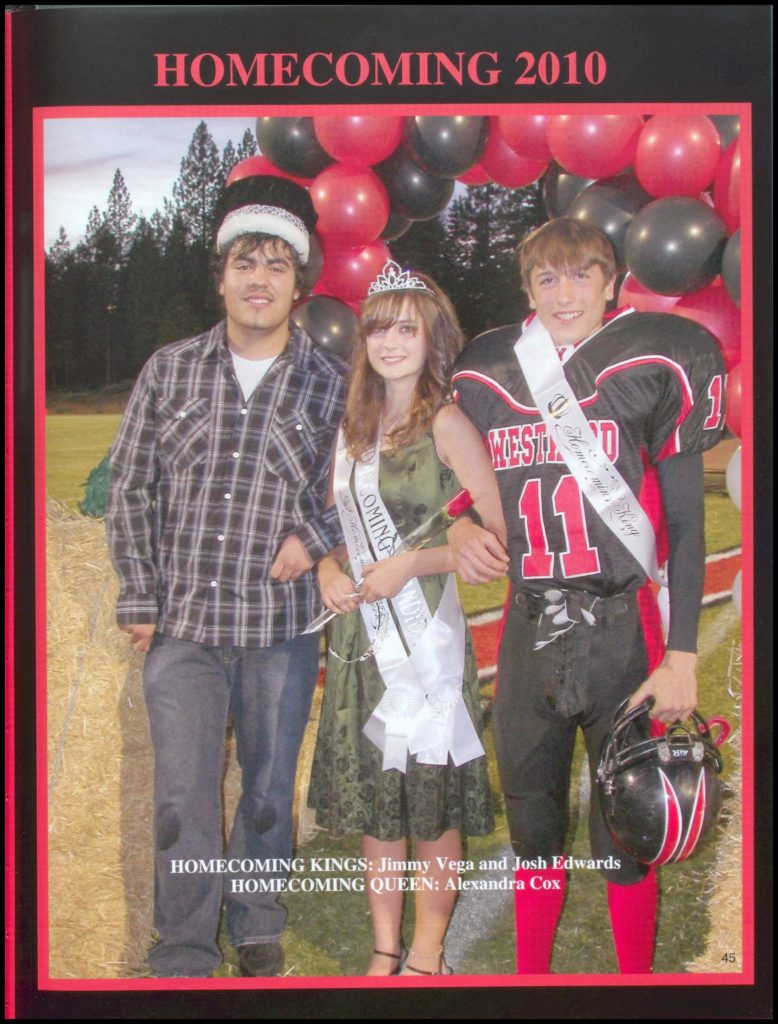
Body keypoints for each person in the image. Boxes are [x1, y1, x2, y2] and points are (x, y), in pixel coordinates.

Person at [449, 219, 726, 974]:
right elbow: (459, 481)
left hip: (622, 627)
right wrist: (460, 526)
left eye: (580, 275)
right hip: (529, 626)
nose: (564, 293)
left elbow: (687, 525)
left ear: (611, 283)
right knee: (532, 826)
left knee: (630, 825)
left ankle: (634, 983)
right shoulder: (488, 370)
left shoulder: (656, 358)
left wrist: (682, 655)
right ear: (527, 289)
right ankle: (531, 982)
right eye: (547, 278)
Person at [106, 175, 347, 978]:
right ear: (221, 276)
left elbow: (361, 489)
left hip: (281, 628)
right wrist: (140, 594)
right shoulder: (169, 369)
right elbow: (131, 486)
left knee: (269, 789)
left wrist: (315, 537)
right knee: (183, 797)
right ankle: (182, 946)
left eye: (278, 265)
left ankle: (256, 921)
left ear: (298, 282)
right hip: (184, 629)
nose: (259, 279)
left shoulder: (330, 382)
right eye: (245, 262)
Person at [307, 261, 506, 976]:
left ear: (432, 339)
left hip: (425, 644)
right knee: (378, 800)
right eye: (378, 329)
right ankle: (384, 946)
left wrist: (415, 564)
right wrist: (329, 570)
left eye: (407, 329)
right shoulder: (353, 429)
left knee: (430, 802)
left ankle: (427, 951)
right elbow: (342, 534)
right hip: (360, 641)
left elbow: (496, 537)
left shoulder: (447, 423)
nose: (390, 343)